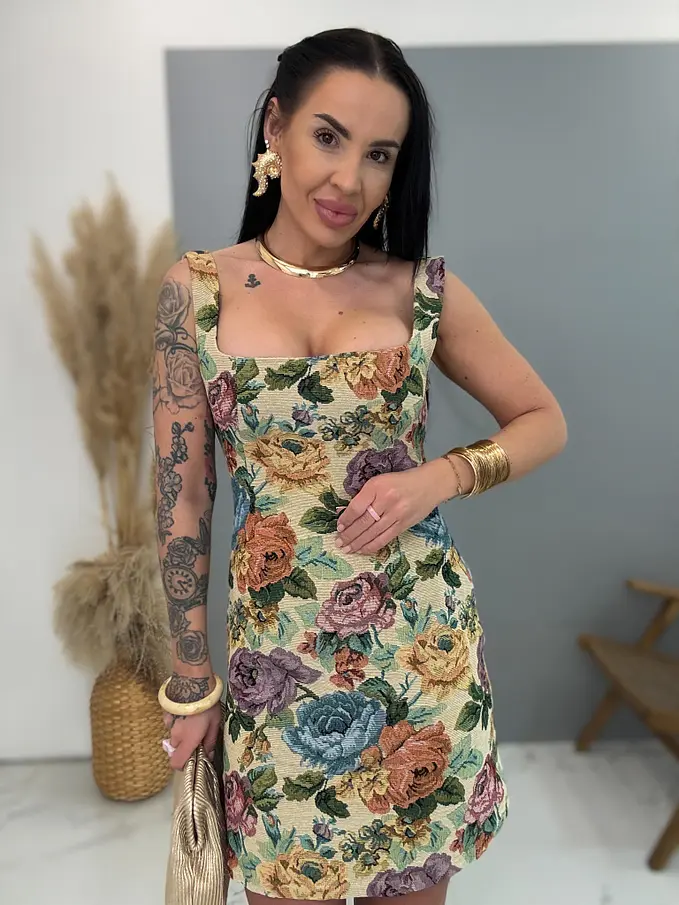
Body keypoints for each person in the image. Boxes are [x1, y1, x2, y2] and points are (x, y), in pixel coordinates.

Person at [152, 26, 567, 905]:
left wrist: (440, 476)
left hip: (420, 656)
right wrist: (191, 681)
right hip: (276, 666)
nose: (348, 179)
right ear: (275, 127)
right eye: (328, 136)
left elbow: (543, 421)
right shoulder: (195, 292)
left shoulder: (420, 291)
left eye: (378, 154)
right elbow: (183, 499)